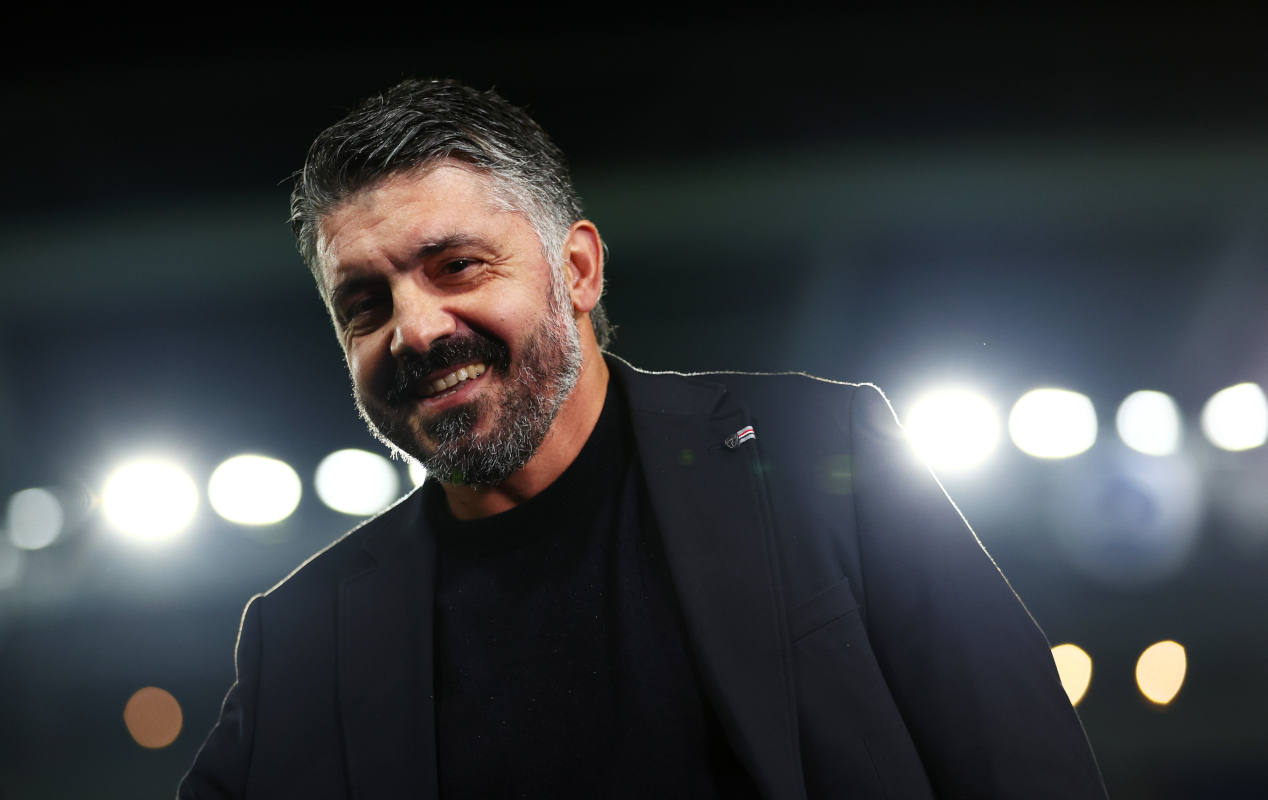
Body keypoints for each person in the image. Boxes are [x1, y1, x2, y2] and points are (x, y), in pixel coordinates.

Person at [179, 79, 1106, 799]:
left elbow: (1028, 772)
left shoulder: (826, 454)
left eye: (456, 266)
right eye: (365, 305)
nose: (414, 329)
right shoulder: (297, 642)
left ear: (577, 269)